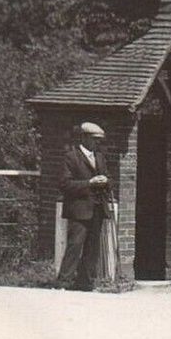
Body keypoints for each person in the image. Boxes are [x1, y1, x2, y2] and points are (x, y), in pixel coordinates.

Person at [58, 121, 113, 291]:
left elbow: (110, 180)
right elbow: (65, 184)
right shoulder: (71, 157)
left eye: (100, 140)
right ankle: (63, 282)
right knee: (75, 245)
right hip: (79, 208)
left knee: (92, 247)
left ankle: (85, 283)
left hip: (97, 208)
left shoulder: (100, 157)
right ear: (84, 138)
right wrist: (89, 183)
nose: (98, 143)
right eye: (95, 139)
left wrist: (106, 182)